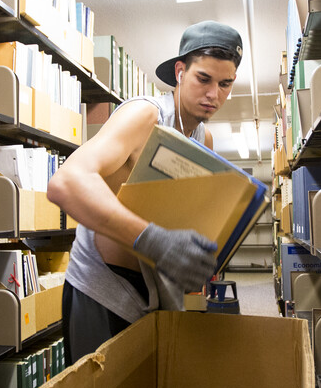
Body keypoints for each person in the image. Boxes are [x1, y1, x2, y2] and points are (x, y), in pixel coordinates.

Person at [46, 20, 243, 361]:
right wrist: (154, 240)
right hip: (102, 288)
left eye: (225, 84)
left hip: (153, 289)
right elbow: (65, 183)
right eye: (204, 79)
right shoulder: (146, 115)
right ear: (180, 72)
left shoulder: (204, 139)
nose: (215, 95)